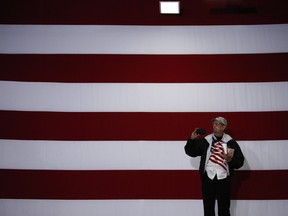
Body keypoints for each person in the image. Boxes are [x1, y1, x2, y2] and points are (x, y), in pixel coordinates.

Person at [184, 117, 244, 216]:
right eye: (214, 123)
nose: (215, 125)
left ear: (224, 127)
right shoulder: (206, 140)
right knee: (208, 208)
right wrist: (192, 139)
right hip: (208, 177)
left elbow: (240, 162)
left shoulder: (230, 142)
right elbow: (191, 152)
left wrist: (230, 160)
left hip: (224, 178)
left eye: (218, 123)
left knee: (224, 209)